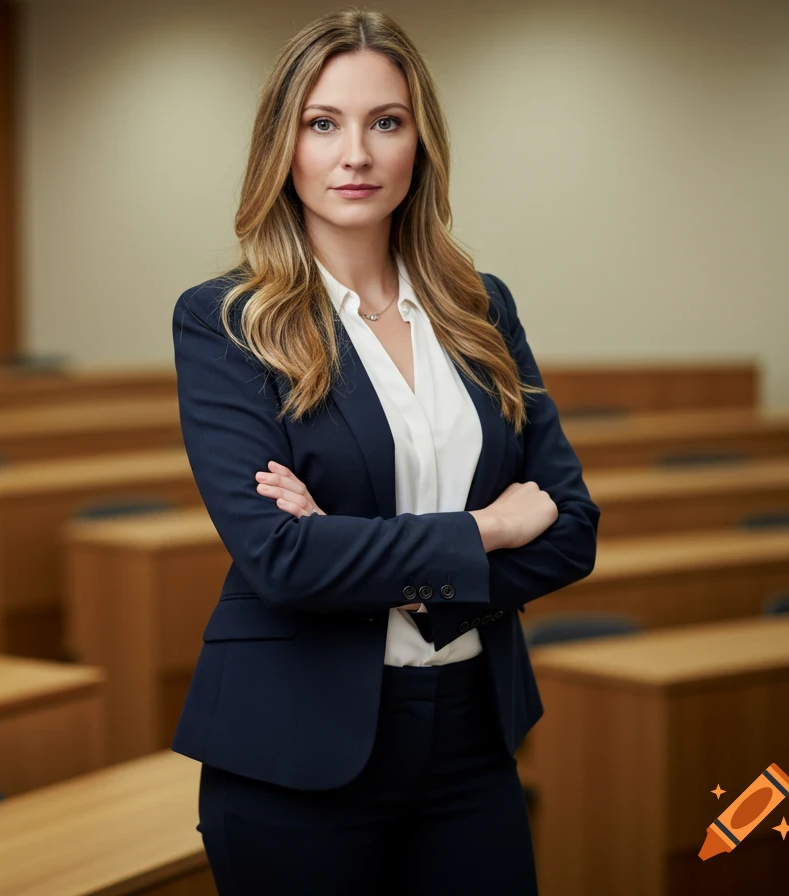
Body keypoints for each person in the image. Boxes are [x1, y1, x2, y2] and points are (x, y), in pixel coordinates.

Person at [169, 8, 601, 895]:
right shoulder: (226, 323)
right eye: (322, 124)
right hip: (293, 752)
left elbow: (571, 528)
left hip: (470, 740)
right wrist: (485, 529)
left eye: (385, 122)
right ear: (282, 146)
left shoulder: (481, 308)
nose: (354, 154)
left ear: (420, 144)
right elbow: (283, 559)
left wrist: (364, 558)